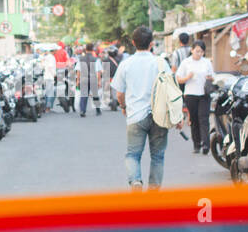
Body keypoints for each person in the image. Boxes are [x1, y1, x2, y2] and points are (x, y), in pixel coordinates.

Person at [113, 25, 168, 190]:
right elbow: (171, 91)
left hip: (135, 116)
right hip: (159, 116)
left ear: (133, 42)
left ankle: (136, 181)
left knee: (132, 155)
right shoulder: (161, 63)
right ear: (151, 43)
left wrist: (123, 106)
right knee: (158, 156)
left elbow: (119, 93)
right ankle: (154, 190)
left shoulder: (126, 64)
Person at [176, 40, 214, 155]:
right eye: (197, 51)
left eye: (202, 51)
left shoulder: (206, 62)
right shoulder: (186, 63)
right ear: (192, 50)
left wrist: (210, 78)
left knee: (204, 119)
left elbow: (212, 76)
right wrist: (187, 77)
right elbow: (178, 78)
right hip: (191, 94)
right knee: (194, 119)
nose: (199, 53)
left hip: (204, 95)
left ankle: (206, 144)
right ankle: (196, 144)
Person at [76, 43, 102, 116]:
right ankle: (98, 110)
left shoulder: (80, 59)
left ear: (85, 49)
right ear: (92, 49)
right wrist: (99, 81)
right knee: (95, 95)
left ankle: (82, 110)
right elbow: (98, 72)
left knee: (83, 95)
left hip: (83, 78)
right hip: (93, 79)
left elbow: (78, 71)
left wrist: (78, 80)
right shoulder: (96, 59)